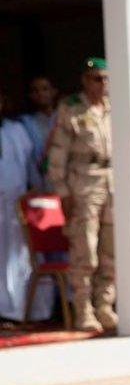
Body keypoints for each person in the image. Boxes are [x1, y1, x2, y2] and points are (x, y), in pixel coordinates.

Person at [46, 57, 116, 333]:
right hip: (84, 182)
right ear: (85, 81)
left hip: (112, 181)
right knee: (85, 250)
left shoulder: (114, 107)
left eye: (107, 79)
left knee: (111, 249)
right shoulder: (71, 110)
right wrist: (62, 192)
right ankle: (84, 309)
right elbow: (57, 156)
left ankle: (104, 305)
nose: (103, 84)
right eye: (97, 78)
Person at [1, 92, 52, 322]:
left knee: (19, 257)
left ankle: (18, 310)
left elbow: (32, 165)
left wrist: (36, 191)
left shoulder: (17, 130)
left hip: (15, 205)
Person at [20, 76, 59, 175]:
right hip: (37, 183)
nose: (40, 94)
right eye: (35, 90)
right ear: (30, 95)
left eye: (45, 89)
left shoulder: (64, 118)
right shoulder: (25, 123)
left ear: (53, 92)